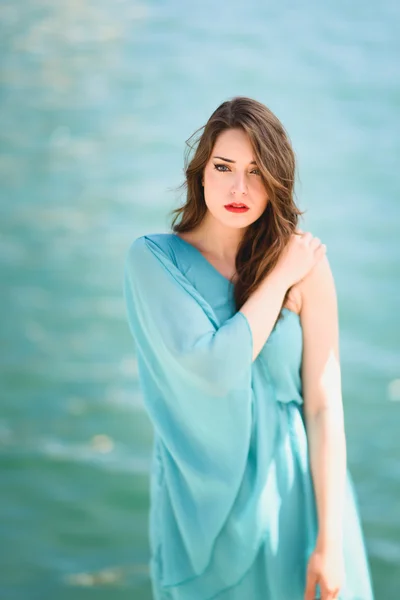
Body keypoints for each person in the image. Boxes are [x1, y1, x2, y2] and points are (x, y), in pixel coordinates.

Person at [123, 97, 375, 600]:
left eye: (258, 172)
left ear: (277, 180)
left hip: (297, 493)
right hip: (203, 504)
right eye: (224, 167)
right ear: (201, 173)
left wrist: (330, 538)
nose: (239, 188)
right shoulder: (153, 262)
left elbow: (324, 406)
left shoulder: (308, 259)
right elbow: (218, 369)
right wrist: (280, 279)